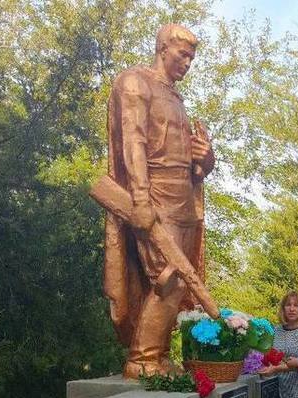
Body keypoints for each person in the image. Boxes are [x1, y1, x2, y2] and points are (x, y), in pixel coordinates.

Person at [103, 23, 215, 378]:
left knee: (179, 281)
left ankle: (158, 357)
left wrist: (205, 161)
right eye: (183, 55)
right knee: (170, 279)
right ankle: (142, 359)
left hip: (182, 201)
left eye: (192, 58)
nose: (187, 63)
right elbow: (131, 142)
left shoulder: (178, 99)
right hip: (154, 198)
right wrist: (139, 198)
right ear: (163, 48)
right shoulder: (135, 82)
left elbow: (191, 167)